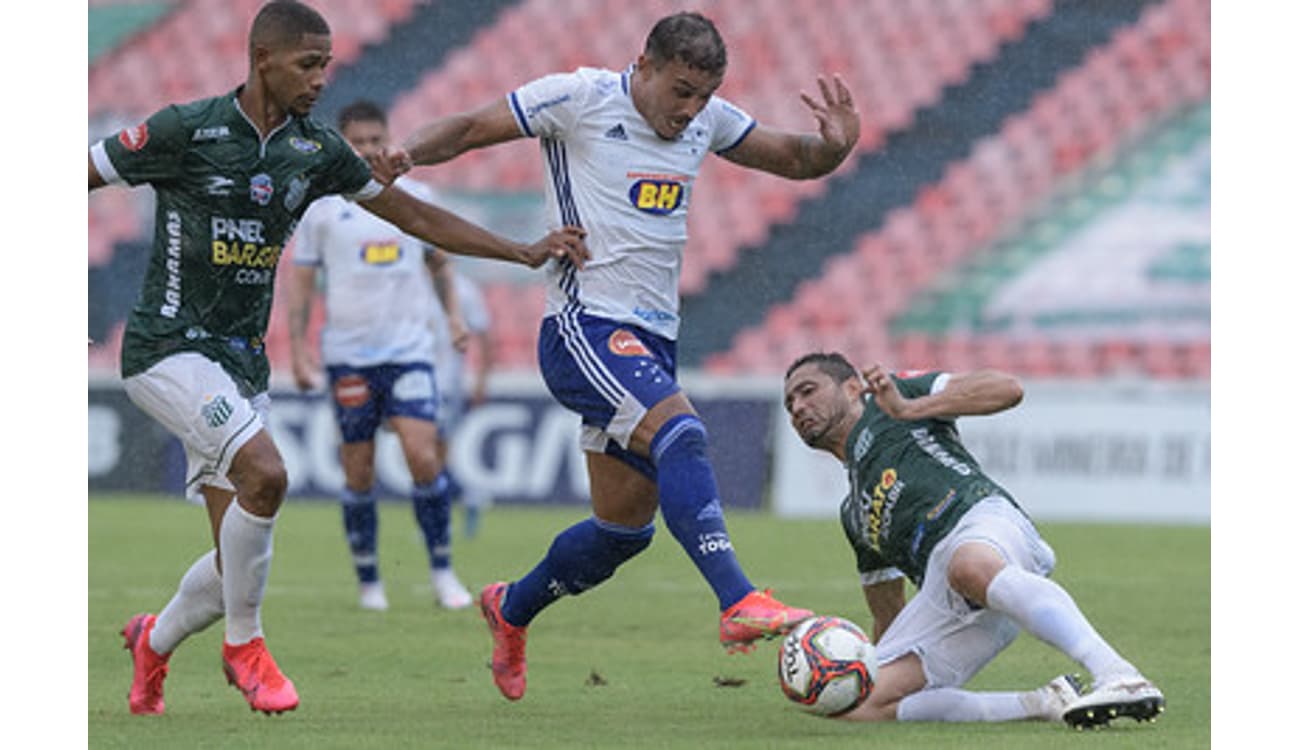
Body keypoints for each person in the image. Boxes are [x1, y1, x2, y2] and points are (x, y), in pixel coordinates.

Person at [88, 0, 587, 716]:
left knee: (235, 559)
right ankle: (245, 648)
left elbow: (414, 215)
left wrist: (520, 249)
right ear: (263, 58)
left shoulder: (315, 151)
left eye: (327, 63)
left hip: (239, 365)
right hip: (165, 348)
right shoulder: (183, 129)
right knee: (268, 474)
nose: (322, 77)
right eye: (308, 63)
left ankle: (153, 644)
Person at [389, 11, 860, 701]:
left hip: (652, 339)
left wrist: (834, 149)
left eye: (702, 95)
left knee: (622, 532)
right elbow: (466, 127)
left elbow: (793, 158)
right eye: (680, 90)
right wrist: (405, 155)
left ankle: (509, 609)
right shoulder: (578, 98)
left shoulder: (708, 120)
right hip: (584, 325)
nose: (690, 110)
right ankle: (737, 602)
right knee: (684, 433)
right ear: (643, 66)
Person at [781, 352, 1166, 728]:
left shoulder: (896, 398)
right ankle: (1043, 702)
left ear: (852, 388)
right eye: (790, 403)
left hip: (980, 521)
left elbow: (1007, 389)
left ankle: (1119, 675)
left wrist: (911, 410)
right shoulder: (853, 514)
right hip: (951, 598)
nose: (797, 407)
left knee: (966, 565)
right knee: (859, 703)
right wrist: (853, 664)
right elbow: (888, 614)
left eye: (808, 391)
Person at [287, 99, 474, 613]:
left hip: (409, 351)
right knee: (358, 471)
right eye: (359, 142)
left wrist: (454, 317)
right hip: (348, 355)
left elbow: (440, 262)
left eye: (376, 140)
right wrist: (300, 351)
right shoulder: (323, 210)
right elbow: (301, 283)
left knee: (422, 456)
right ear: (343, 145)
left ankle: (443, 574)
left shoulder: (415, 197)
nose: (369, 150)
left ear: (388, 140)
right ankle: (369, 581)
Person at [425, 267, 495, 539]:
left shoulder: (463, 289)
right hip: (414, 379)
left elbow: (485, 335)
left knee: (432, 453)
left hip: (445, 383)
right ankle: (458, 502)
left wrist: (481, 380)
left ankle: (445, 514)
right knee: (426, 454)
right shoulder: (409, 282)